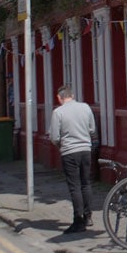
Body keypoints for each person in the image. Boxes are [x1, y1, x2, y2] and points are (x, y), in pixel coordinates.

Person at [49, 85, 97, 234]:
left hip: (69, 152)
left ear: (59, 97)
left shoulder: (58, 112)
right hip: (85, 150)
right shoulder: (85, 107)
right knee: (86, 183)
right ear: (73, 95)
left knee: (74, 186)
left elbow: (54, 137)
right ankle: (88, 216)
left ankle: (78, 220)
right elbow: (92, 129)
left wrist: (60, 144)